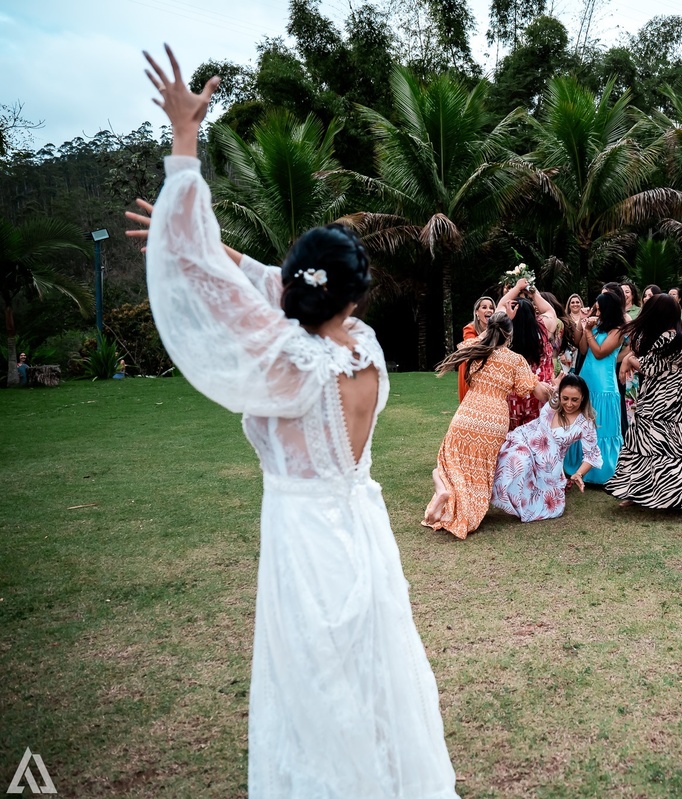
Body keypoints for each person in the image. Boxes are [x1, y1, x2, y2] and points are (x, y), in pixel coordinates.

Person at [129, 46, 460, 798]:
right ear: (356, 295)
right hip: (363, 533)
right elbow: (273, 283)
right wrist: (208, 247)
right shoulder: (364, 347)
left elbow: (235, 293)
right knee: (371, 676)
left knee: (315, 691)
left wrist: (187, 148)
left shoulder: (288, 360)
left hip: (304, 543)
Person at [424, 312, 553, 538]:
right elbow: (535, 391)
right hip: (494, 420)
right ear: (509, 335)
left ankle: (443, 489)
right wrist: (551, 392)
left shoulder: (475, 348)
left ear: (489, 329)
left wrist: (494, 325)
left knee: (450, 460)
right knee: (478, 469)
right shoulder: (515, 360)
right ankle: (468, 513)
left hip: (469, 412)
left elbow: (473, 339)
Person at [607, 294, 682, 511]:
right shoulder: (677, 335)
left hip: (668, 400)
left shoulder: (669, 339)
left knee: (658, 444)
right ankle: (645, 494)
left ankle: (664, 496)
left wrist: (629, 361)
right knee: (664, 445)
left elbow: (648, 367)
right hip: (679, 397)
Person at [492, 374, 603, 522]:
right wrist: (555, 386)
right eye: (566, 398)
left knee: (545, 506)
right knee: (517, 460)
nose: (569, 404)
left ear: (583, 398)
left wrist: (579, 474)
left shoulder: (585, 424)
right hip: (525, 441)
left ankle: (521, 505)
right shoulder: (556, 399)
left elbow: (592, 455)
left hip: (548, 467)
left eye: (575, 400)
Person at [562, 291, 624, 485]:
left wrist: (589, 332)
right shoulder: (595, 326)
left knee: (603, 427)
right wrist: (584, 324)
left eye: (598, 307)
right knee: (583, 424)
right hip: (586, 380)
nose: (595, 309)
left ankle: (602, 471)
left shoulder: (618, 331)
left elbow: (599, 353)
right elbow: (582, 349)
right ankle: (578, 467)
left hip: (604, 385)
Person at [498, 278, 556, 430]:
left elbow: (499, 308)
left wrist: (516, 288)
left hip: (512, 396)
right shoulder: (544, 328)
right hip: (540, 394)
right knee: (538, 439)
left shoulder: (504, 334)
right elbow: (550, 311)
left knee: (511, 440)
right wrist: (533, 291)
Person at [458, 296, 495, 401]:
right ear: (477, 312)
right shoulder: (470, 328)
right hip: (470, 371)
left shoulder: (497, 331)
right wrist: (491, 329)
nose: (489, 310)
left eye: (491, 308)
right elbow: (471, 347)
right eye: (484, 307)